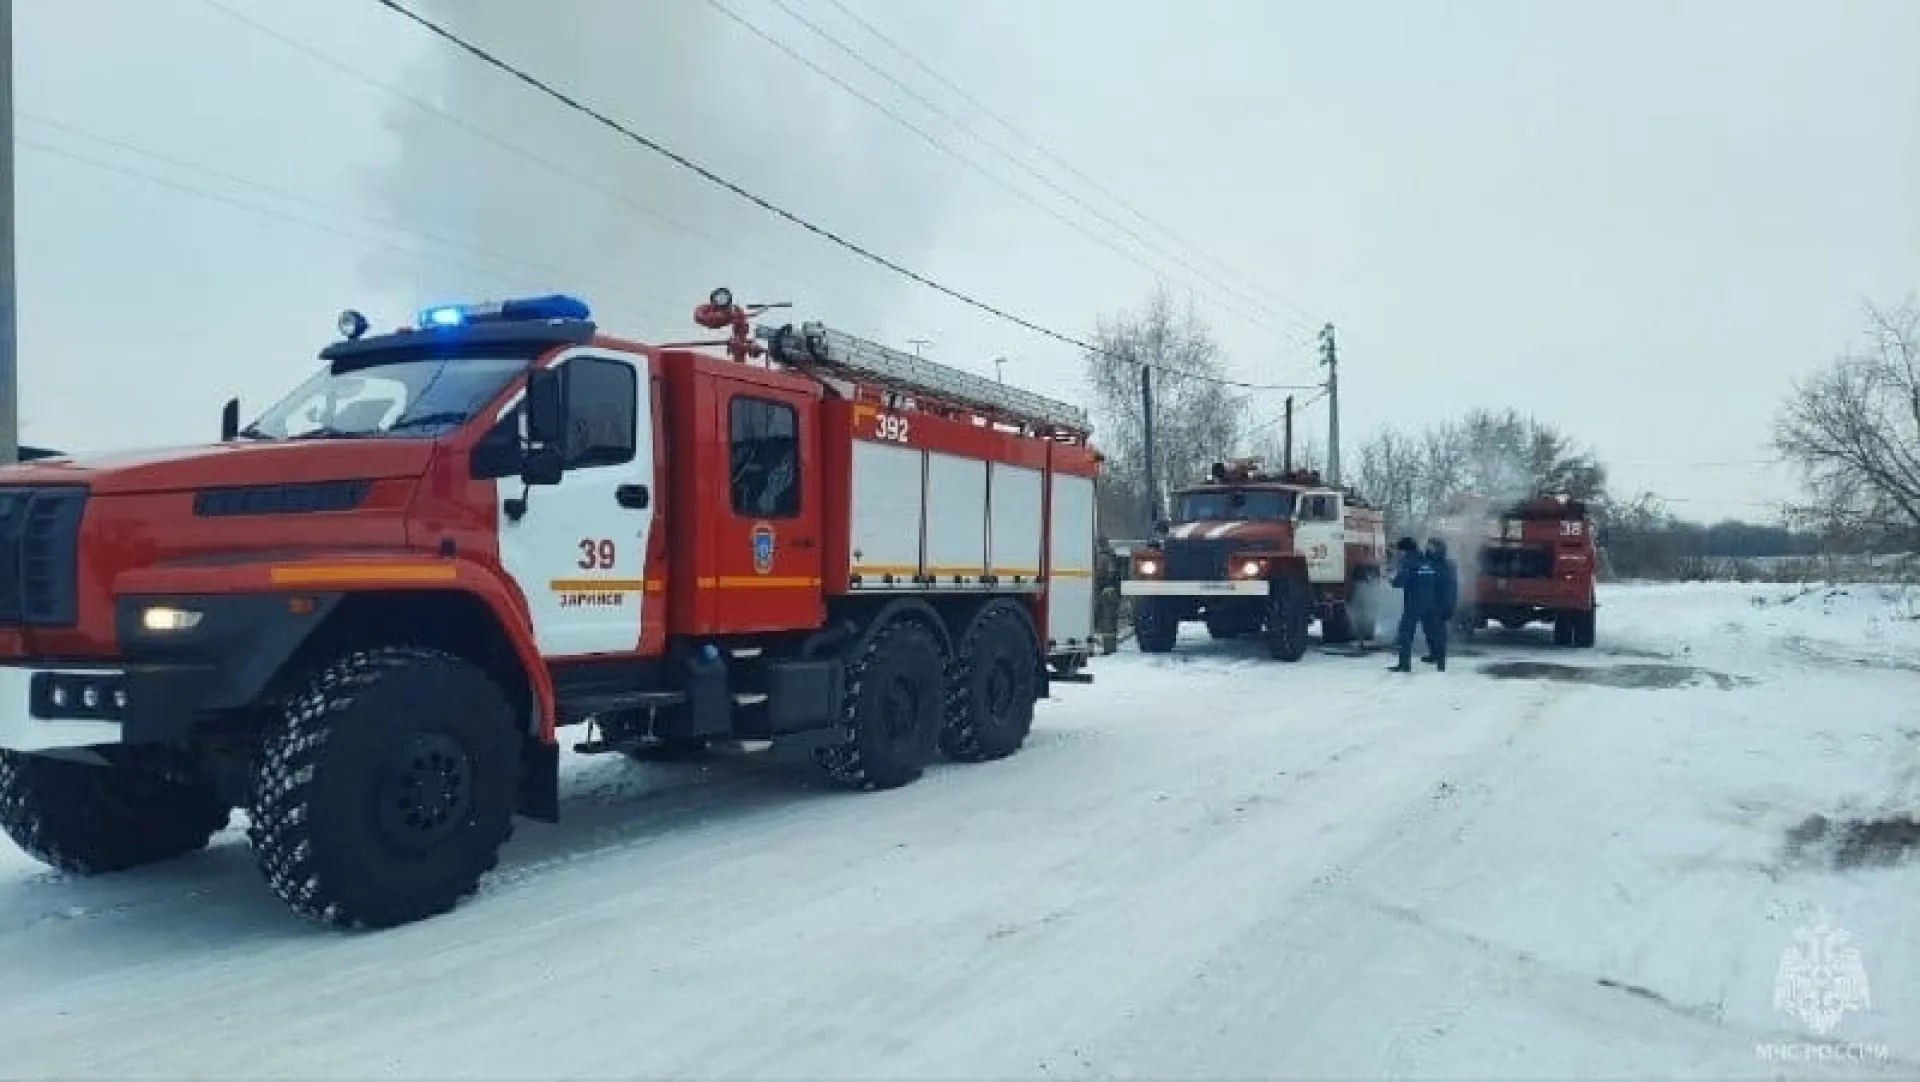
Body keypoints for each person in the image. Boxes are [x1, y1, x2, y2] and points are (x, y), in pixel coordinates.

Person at [1388, 537, 1444, 673]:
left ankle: (1404, 664)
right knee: (1432, 631)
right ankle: (1438, 658)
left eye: (1400, 550)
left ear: (1405, 550)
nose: (1399, 553)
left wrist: (1391, 580)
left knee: (1405, 633)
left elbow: (1400, 582)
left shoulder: (1408, 562)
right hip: (1430, 602)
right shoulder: (1427, 560)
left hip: (1414, 603)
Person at [1419, 537, 1458, 669]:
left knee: (1439, 633)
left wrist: (1449, 606)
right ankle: (1433, 654)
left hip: (1440, 604)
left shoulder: (1447, 565)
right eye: (1428, 546)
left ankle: (1441, 662)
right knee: (1427, 631)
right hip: (1425, 604)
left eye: (1432, 547)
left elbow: (1452, 587)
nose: (1429, 549)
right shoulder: (1424, 563)